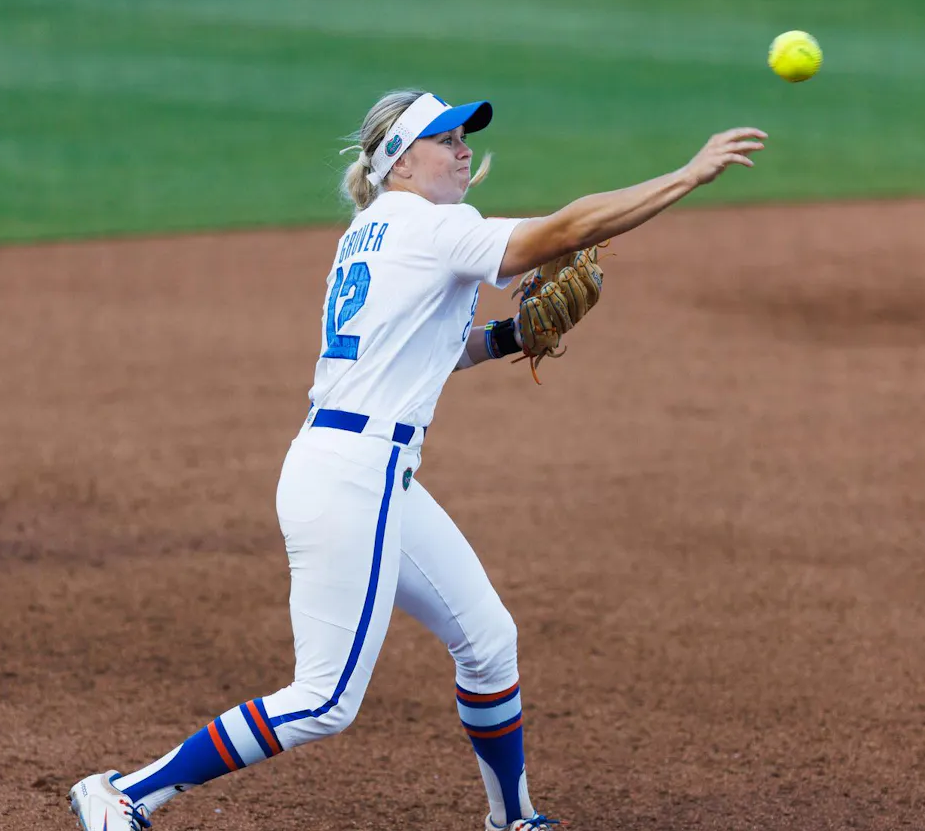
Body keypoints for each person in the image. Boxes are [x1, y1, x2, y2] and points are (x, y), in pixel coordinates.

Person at [69, 89, 766, 831]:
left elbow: (428, 349)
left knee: (490, 643)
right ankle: (126, 792)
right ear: (401, 161)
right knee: (324, 700)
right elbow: (564, 230)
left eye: (466, 138)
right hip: (352, 478)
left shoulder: (375, 231)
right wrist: (686, 176)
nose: (464, 150)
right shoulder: (434, 228)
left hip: (362, 470)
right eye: (446, 140)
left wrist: (505, 339)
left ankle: (513, 819)